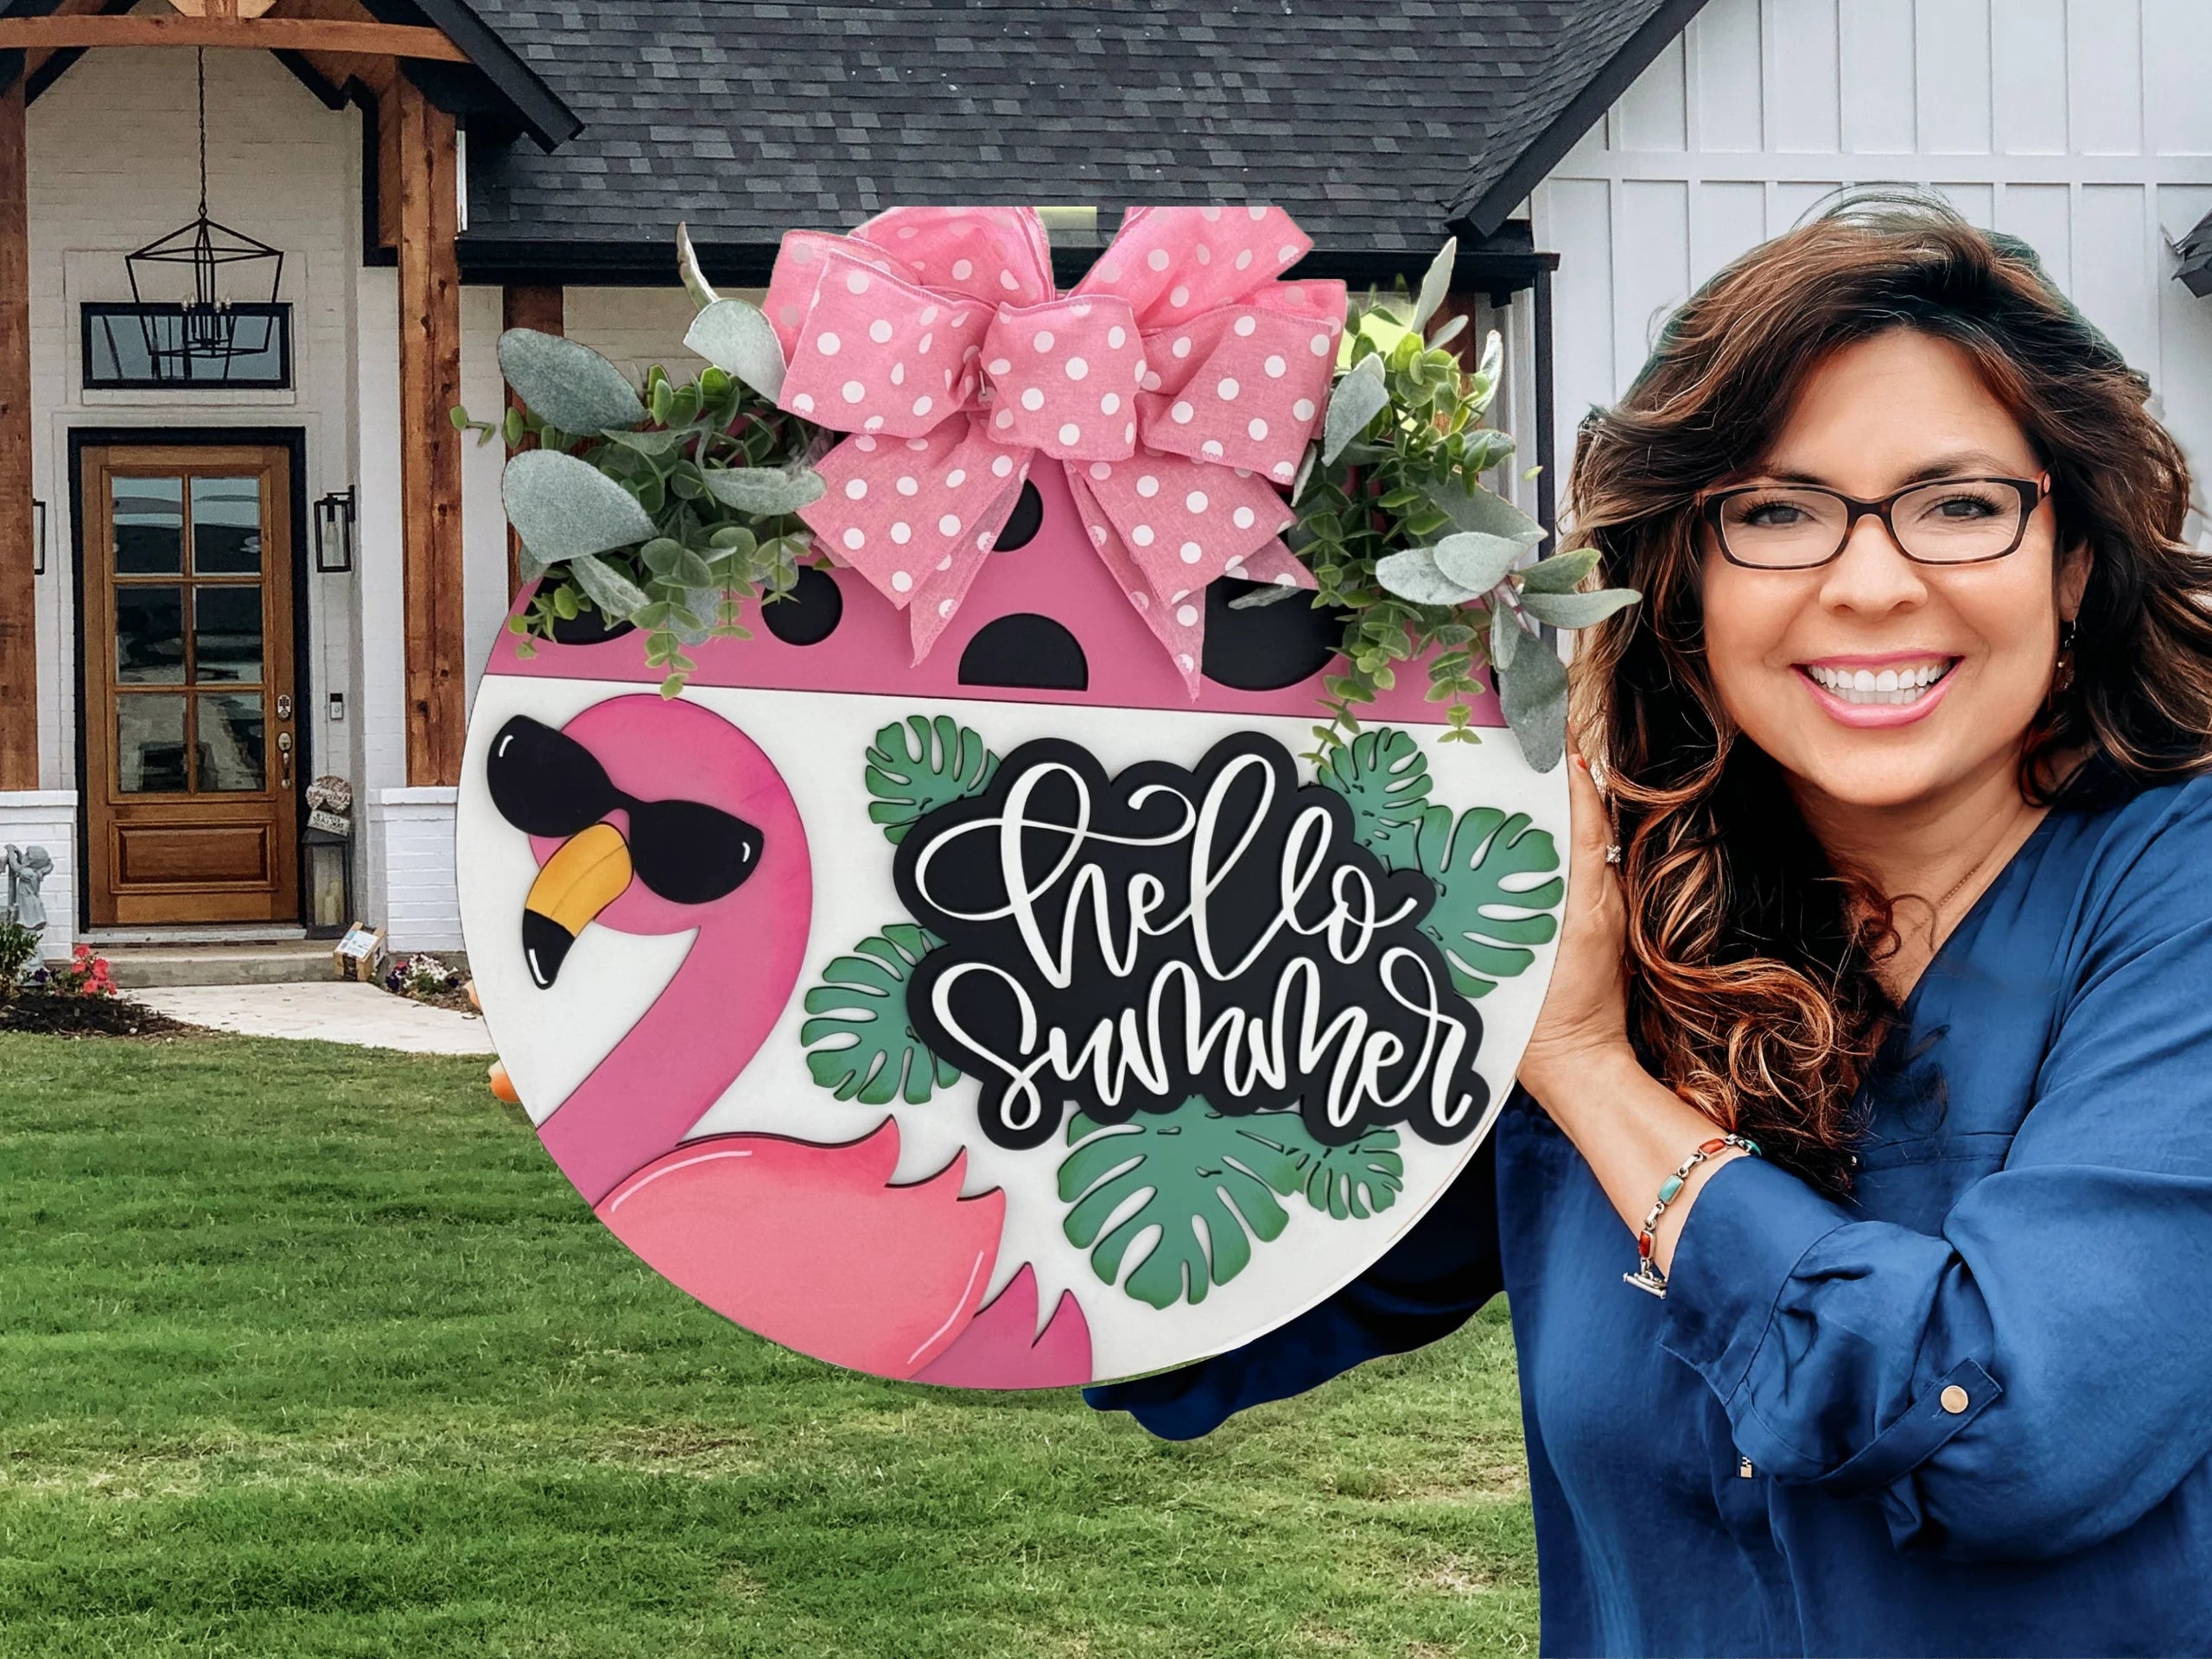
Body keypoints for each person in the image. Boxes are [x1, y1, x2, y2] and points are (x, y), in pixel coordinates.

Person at [1087, 194, 2212, 1656]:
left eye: (1959, 504)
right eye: (1778, 512)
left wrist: (1590, 1071)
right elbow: (1222, 1288)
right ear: (1683, 578)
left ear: (2070, 563)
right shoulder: (1620, 900)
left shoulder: (2171, 899)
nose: (1871, 583)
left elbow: (2009, 1432)